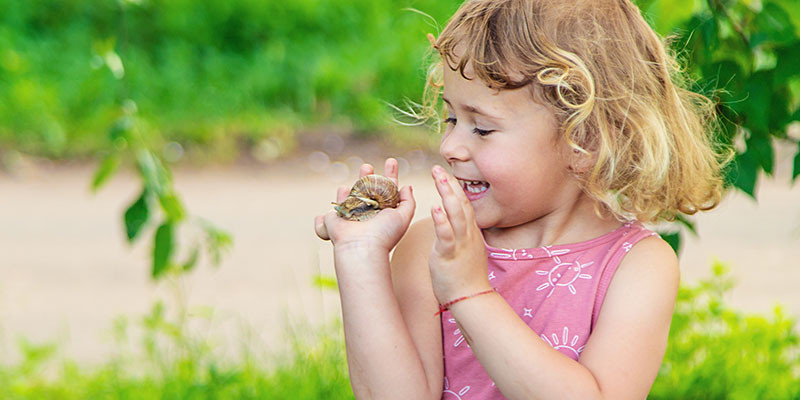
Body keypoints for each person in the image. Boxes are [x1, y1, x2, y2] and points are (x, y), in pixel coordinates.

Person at [314, 0, 729, 398]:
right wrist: (360, 256)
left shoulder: (635, 266)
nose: (451, 145)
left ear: (582, 141)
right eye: (452, 118)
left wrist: (468, 293)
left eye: (482, 129)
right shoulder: (428, 249)